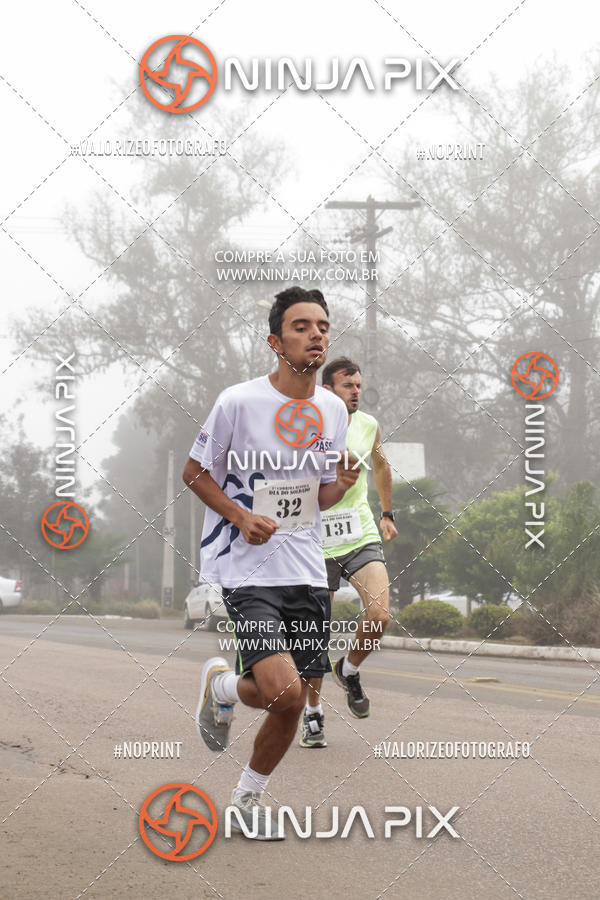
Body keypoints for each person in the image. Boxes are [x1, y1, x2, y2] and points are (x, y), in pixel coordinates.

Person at [183, 287, 359, 839]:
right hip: (248, 570)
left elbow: (315, 498)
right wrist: (239, 517)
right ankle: (244, 785)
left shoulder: (332, 409)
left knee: (292, 698)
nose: (316, 334)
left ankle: (225, 700)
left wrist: (341, 485)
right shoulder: (237, 401)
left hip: (307, 569)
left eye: (323, 326)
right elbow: (194, 472)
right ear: (275, 341)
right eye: (302, 326)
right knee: (284, 694)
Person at [300, 357, 398, 749]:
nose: (356, 391)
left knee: (379, 613)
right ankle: (312, 714)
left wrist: (387, 513)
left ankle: (350, 669)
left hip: (359, 533)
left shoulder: (369, 425)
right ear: (328, 390)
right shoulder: (306, 425)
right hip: (313, 541)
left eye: (358, 385)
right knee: (316, 634)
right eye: (347, 385)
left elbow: (381, 466)